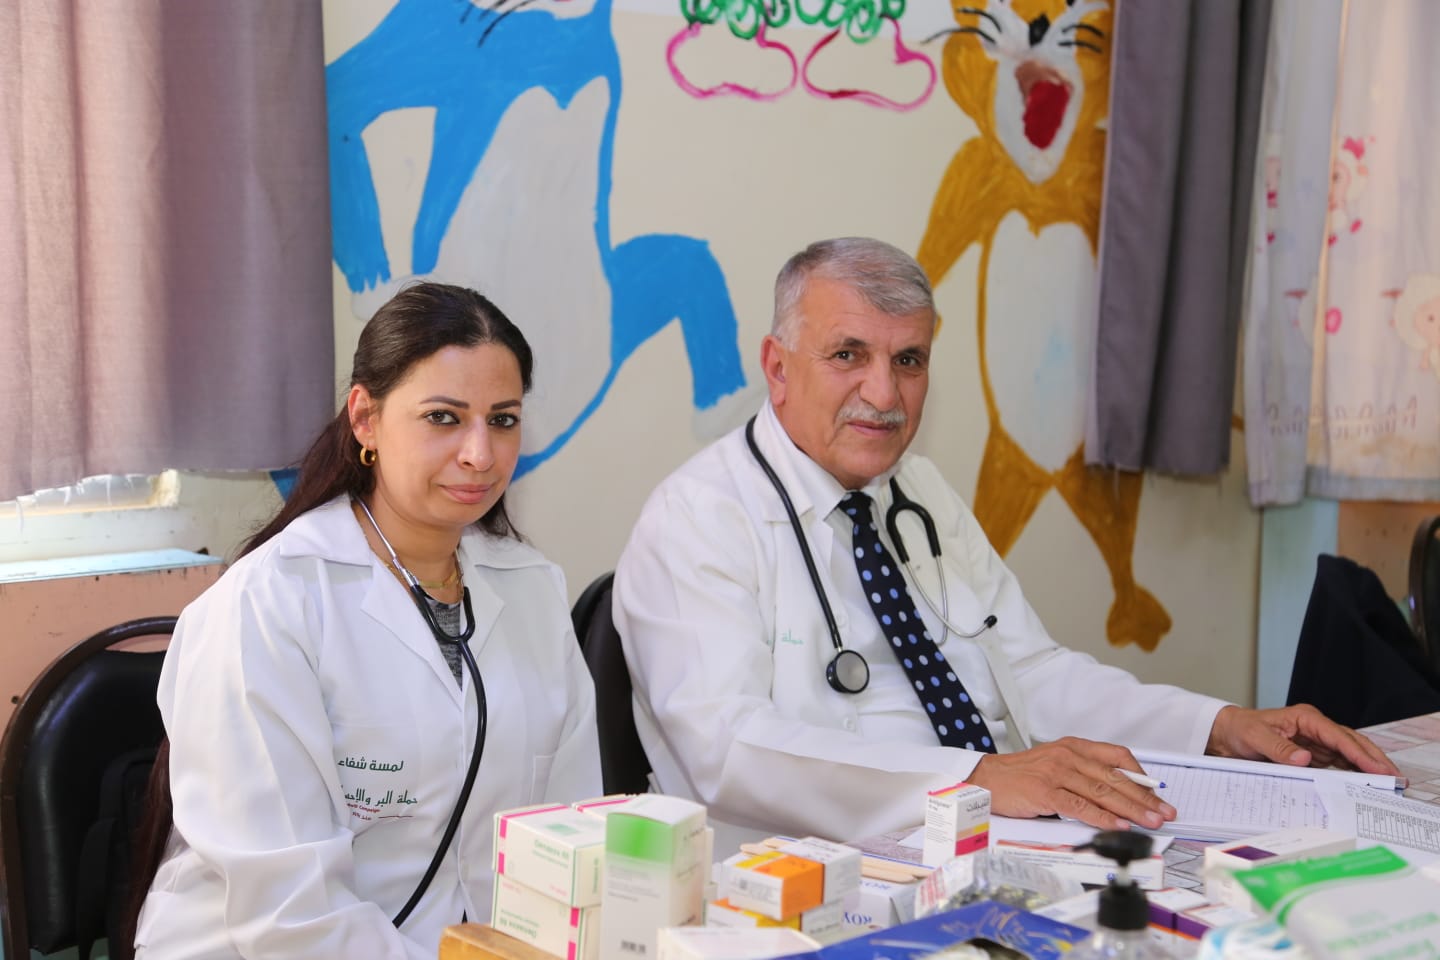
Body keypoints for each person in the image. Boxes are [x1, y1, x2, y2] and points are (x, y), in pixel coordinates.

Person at [613, 237, 1398, 851]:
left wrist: (1217, 727)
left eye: (908, 360)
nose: (884, 394)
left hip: (990, 844)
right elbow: (730, 752)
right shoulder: (697, 519)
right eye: (848, 354)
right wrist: (979, 777)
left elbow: (1030, 672)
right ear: (777, 368)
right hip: (798, 883)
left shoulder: (917, 491)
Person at [132, 282, 601, 959]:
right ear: (365, 419)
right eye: (443, 417)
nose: (480, 453)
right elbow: (290, 916)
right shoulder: (267, 604)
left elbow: (572, 836)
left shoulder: (531, 589)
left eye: (502, 420)